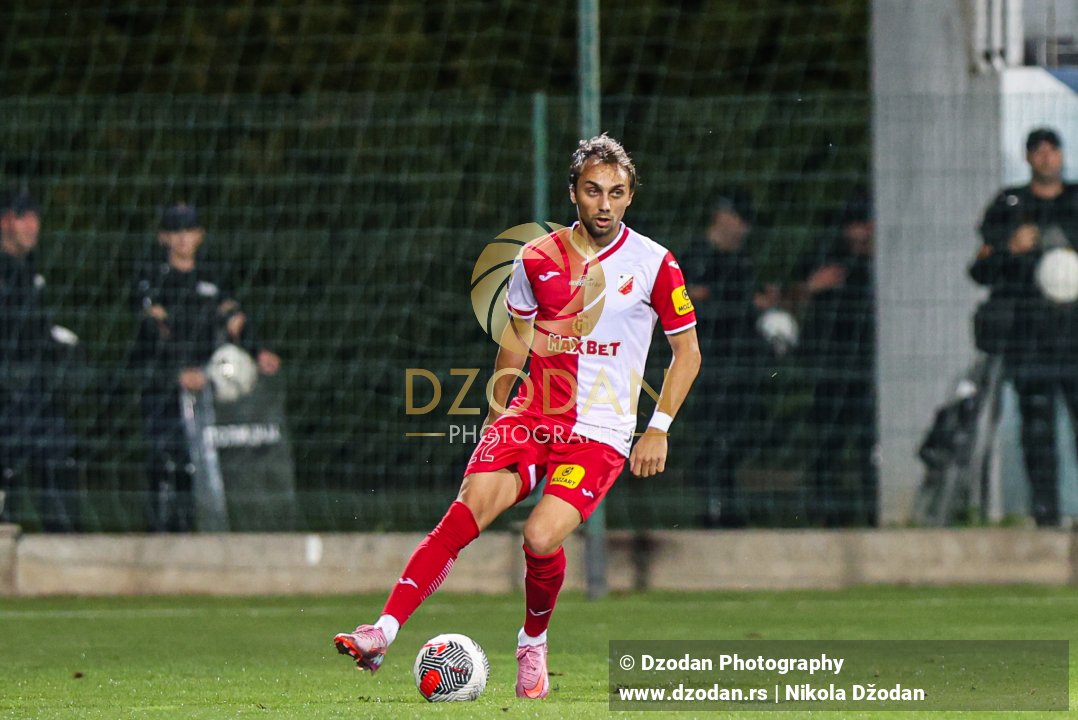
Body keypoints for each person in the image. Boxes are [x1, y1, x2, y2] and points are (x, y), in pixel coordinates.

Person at [333, 135, 701, 698]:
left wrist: (658, 429)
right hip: (531, 416)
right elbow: (516, 340)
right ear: (573, 193)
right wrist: (496, 414)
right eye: (593, 191)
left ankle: (532, 642)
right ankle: (382, 632)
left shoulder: (655, 263)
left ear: (630, 197)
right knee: (466, 511)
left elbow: (687, 352)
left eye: (617, 193)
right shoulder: (536, 258)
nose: (605, 204)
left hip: (599, 433)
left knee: (540, 536)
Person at [132, 203, 281, 531]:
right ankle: (163, 537)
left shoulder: (212, 278)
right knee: (168, 463)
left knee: (208, 464)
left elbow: (234, 320)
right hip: (165, 387)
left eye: (189, 230)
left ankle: (206, 535)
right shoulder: (153, 279)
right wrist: (178, 373)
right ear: (163, 237)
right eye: (175, 231)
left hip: (207, 388)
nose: (183, 238)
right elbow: (155, 331)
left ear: (199, 235)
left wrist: (258, 352)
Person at [970, 128, 1078, 527]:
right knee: (1037, 425)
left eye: (1053, 150)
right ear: (1029, 158)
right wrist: (1009, 248)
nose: (1047, 157)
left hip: (1074, 336)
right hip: (1030, 338)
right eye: (1039, 151)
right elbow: (980, 269)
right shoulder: (1009, 205)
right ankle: (1045, 513)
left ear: (1062, 155)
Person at [684, 190, 778, 527]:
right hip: (710, 360)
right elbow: (692, 301)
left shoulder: (742, 260)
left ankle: (725, 502)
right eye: (740, 219)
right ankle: (715, 507)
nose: (744, 228)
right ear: (721, 216)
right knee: (717, 432)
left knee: (740, 431)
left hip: (743, 359)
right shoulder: (697, 256)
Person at [789, 192, 876, 526]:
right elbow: (789, 296)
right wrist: (812, 286)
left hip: (870, 366)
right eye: (856, 225)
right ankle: (826, 513)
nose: (863, 231)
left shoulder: (881, 262)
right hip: (831, 365)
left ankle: (872, 512)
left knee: (870, 443)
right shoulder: (826, 257)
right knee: (828, 442)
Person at [0, 189, 81, 532]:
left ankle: (65, 548)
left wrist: (56, 342)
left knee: (60, 455)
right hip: (6, 395)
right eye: (24, 217)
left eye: (35, 217)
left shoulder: (32, 271)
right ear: (5, 221)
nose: (33, 225)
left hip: (34, 391)